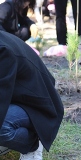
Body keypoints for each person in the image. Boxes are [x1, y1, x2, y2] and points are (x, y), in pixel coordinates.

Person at [0, 30, 64, 159]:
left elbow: (1, 96)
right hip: (16, 98)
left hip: (38, 106)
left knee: (2, 128)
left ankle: (33, 143)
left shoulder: (3, 51)